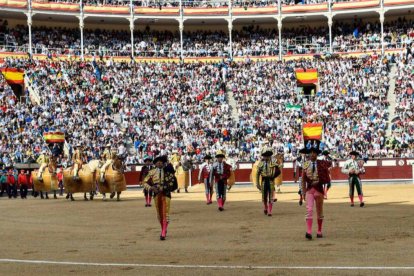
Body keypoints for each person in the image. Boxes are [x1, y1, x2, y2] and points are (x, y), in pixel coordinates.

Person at [143, 155, 178, 240]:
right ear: (155, 164)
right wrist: (151, 188)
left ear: (163, 163)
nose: (159, 163)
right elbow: (144, 182)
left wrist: (164, 188)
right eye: (157, 162)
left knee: (165, 212)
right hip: (156, 194)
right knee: (159, 213)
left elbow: (172, 182)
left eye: (161, 162)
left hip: (166, 193)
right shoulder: (152, 172)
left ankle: (163, 232)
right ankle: (163, 229)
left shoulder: (168, 172)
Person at [302, 147, 333, 240]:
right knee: (309, 210)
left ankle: (319, 231)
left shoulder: (322, 164)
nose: (312, 154)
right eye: (311, 153)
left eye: (314, 153)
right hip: (309, 190)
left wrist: (319, 181)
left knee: (319, 211)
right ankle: (309, 231)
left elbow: (327, 179)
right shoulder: (305, 164)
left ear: (317, 154)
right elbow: (303, 180)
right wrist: (303, 192)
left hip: (319, 190)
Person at [255, 147, 281, 216]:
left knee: (271, 196)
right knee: (264, 196)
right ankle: (265, 207)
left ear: (269, 156)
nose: (266, 157)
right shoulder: (261, 164)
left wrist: (273, 175)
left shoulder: (273, 163)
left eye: (267, 156)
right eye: (265, 156)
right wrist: (257, 183)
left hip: (271, 181)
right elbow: (257, 174)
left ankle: (269, 211)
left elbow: (278, 171)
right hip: (263, 181)